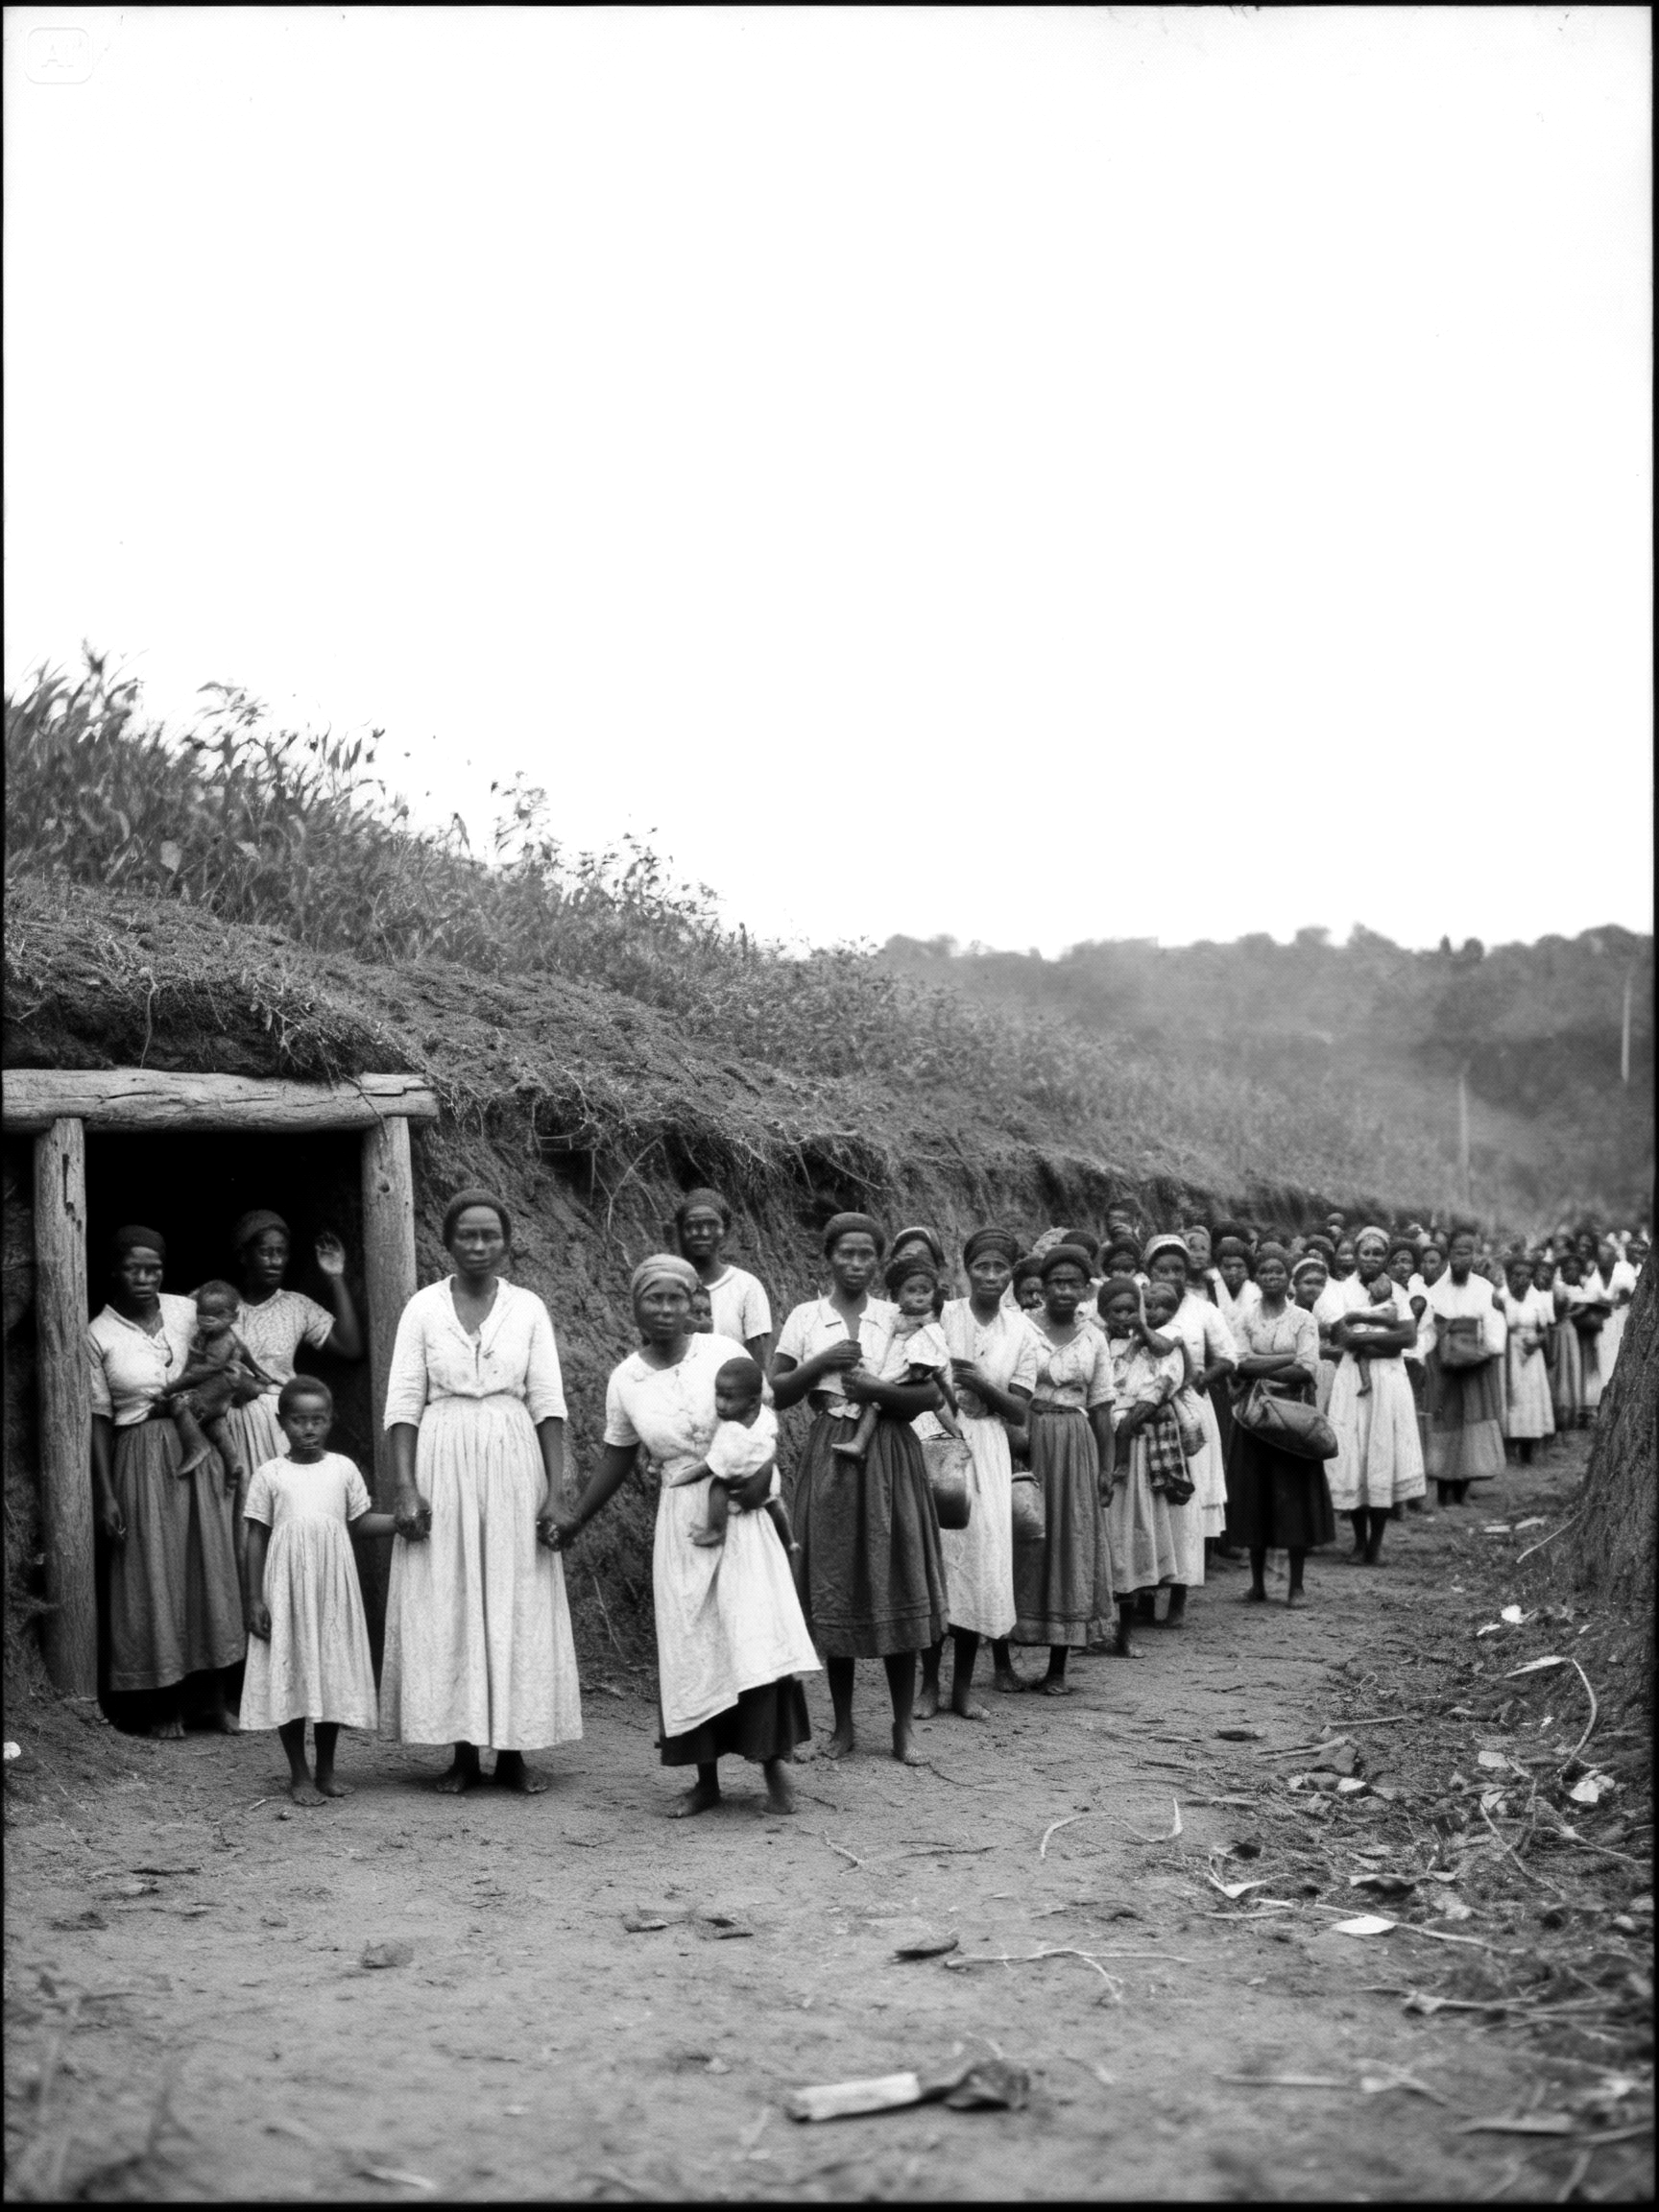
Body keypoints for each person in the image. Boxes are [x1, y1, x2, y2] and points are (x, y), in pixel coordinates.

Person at [552, 1256, 816, 1815]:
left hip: (743, 1511)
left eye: (677, 1298)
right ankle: (706, 1783)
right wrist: (577, 1517)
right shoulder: (626, 1379)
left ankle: (774, 1773)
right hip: (682, 1518)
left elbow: (764, 1421)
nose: (667, 1310)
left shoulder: (723, 1353)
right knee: (693, 1647)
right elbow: (618, 1456)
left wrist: (765, 1477)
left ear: (695, 1301)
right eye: (654, 1300)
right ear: (636, 1307)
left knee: (753, 1639)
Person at [380, 1190, 583, 1793]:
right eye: (466, 1236)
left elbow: (548, 1404)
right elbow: (402, 1403)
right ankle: (464, 1753)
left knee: (516, 1595)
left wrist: (554, 1491)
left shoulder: (527, 1309)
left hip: (512, 1457)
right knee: (451, 1598)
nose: (478, 1246)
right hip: (442, 1455)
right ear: (448, 1242)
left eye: (489, 1236)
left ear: (506, 1241)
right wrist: (406, 1486)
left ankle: (516, 1753)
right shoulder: (422, 1308)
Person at [771, 1214, 949, 1763]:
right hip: (830, 1451)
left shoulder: (899, 1313)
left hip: (891, 1452)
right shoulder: (807, 1318)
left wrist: (875, 1387)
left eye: (865, 1255)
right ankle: (842, 1725)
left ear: (878, 1261)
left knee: (894, 1577)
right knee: (835, 1581)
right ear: (828, 1257)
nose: (855, 1264)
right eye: (845, 1254)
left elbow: (929, 1397)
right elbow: (775, 1393)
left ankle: (902, 1727)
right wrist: (822, 1362)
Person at [86, 1226, 246, 1736]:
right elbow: (98, 1420)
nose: (144, 1278)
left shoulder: (186, 1311)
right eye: (133, 1268)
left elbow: (230, 1353)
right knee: (154, 1577)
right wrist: (106, 1493)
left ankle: (215, 1702)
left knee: (208, 1570)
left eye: (153, 1268)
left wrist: (233, 1382)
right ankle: (164, 1706)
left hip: (198, 1449)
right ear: (114, 1270)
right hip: (140, 1456)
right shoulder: (99, 1335)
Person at [240, 1378, 396, 1804]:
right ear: (281, 1422)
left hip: (331, 1591)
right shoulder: (269, 1474)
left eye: (317, 1420)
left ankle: (326, 1770)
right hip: (286, 1591)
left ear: (331, 1421)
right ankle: (298, 1774)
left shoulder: (343, 1469)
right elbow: (255, 1535)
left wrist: (401, 1524)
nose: (308, 1429)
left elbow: (360, 1523)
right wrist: (253, 1598)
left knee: (329, 1674)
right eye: (298, 1420)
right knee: (291, 1672)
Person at [921, 1228, 1038, 1711]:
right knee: (937, 1558)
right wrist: (951, 1404)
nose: (990, 1277)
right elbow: (920, 1372)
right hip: (939, 1437)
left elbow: (1018, 1412)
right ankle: (928, 1685)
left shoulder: (1021, 1331)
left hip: (988, 1448)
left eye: (1000, 1268)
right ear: (964, 1269)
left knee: (980, 1563)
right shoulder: (944, 1316)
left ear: (1011, 1273)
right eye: (981, 1267)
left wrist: (983, 1385)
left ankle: (964, 1689)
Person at [1010, 1244, 1117, 1688]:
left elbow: (1103, 1409)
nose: (1065, 1291)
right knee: (1018, 1536)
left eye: (1075, 1283)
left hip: (1074, 1444)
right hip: (1025, 1436)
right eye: (1057, 1282)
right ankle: (1003, 1662)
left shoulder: (1093, 1337)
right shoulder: (1019, 1329)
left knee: (1070, 1542)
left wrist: (1107, 1467)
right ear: (1042, 1285)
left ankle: (1057, 1667)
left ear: (1087, 1288)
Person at [218, 1210, 364, 1485]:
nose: (275, 1261)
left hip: (277, 1423)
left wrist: (336, 1277)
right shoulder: (218, 1304)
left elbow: (350, 1346)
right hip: (226, 1424)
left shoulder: (296, 1306)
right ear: (243, 1256)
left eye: (281, 1253)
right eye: (265, 1252)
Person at [1222, 1244, 1334, 1605]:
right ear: (1257, 1277)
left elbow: (1306, 1369)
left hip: (1293, 1415)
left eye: (1278, 1272)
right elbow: (1240, 1364)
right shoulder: (1245, 1318)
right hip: (1254, 1416)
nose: (1272, 1278)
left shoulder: (1303, 1318)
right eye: (1265, 1272)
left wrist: (1262, 1362)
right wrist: (1284, 1358)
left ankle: (1296, 1585)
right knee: (1255, 1494)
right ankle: (1258, 1583)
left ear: (1289, 1278)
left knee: (1294, 1495)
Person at [1325, 1227, 1424, 1563]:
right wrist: (1381, 1334)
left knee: (1382, 1451)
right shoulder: (1340, 1290)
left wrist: (1366, 1338)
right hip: (1353, 1377)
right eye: (1365, 1253)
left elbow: (1409, 1337)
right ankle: (1357, 1540)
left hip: (1389, 1377)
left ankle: (1377, 1543)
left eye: (1378, 1254)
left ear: (1385, 1257)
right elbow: (1343, 1337)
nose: (1371, 1259)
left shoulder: (1397, 1290)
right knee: (1356, 1452)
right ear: (1356, 1256)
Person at [1100, 1276, 1189, 1637]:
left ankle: (1137, 1599)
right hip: (1104, 1430)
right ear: (1103, 1313)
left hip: (1140, 1436)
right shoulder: (1097, 1342)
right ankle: (1110, 1598)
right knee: (1111, 1519)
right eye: (1115, 1310)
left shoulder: (1157, 1341)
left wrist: (1141, 1327)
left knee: (1139, 1519)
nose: (1124, 1317)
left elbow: (1163, 1381)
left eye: (1130, 1309)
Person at [1143, 1233, 1235, 1572]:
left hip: (1191, 1406)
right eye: (1163, 1270)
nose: (1171, 1277)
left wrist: (1201, 1378)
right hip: (1147, 1411)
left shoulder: (1203, 1310)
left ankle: (1192, 1567)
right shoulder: (1140, 1305)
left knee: (1191, 1487)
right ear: (1148, 1269)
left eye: (1178, 1270)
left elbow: (1227, 1358)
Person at [833, 1251, 958, 1462]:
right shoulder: (894, 1318)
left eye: (925, 1291)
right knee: (879, 1400)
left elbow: (936, 1355)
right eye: (911, 1291)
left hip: (918, 1370)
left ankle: (955, 1430)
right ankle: (860, 1443)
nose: (919, 1296)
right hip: (900, 1369)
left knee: (931, 1400)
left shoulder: (932, 1323)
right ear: (898, 1295)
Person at [1422, 1229, 1508, 1505]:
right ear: (1449, 1255)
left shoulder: (1484, 1288)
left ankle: (1463, 1488)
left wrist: (1485, 1349)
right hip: (1444, 1367)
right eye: (1458, 1252)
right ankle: (1444, 1489)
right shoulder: (1434, 1291)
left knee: (1471, 1425)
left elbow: (1495, 1328)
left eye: (1469, 1252)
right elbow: (1426, 1329)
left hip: (1475, 1365)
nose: (1464, 1259)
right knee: (1445, 1424)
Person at [688, 1354, 797, 1561]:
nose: (720, 1404)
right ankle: (789, 1542)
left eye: (728, 1398)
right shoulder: (767, 1417)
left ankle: (716, 1529)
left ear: (752, 1401)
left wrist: (688, 1476)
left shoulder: (730, 1430)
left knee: (717, 1487)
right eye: (718, 1396)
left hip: (747, 1479)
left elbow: (715, 1465)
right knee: (775, 1505)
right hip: (768, 1479)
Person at [169, 1281, 278, 1480]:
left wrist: (172, 1387)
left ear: (233, 1316)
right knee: (216, 1427)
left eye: (217, 1314)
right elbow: (245, 1352)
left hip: (215, 1392)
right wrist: (259, 1371)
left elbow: (207, 1369)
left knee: (179, 1405)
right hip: (221, 1403)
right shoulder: (217, 1335)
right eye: (202, 1312)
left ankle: (195, 1446)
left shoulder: (222, 1340)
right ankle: (233, 1462)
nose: (207, 1319)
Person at [673, 1189, 773, 1367]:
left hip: (731, 1390)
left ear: (725, 1232)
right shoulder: (670, 1285)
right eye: (692, 1226)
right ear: (681, 1232)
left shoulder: (746, 1286)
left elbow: (758, 1361)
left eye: (711, 1225)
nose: (702, 1232)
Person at [1499, 1255, 1555, 1464]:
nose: (1522, 1280)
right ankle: (1508, 1448)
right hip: (1509, 1352)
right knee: (1512, 1396)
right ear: (1508, 1275)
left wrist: (1538, 1341)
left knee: (1530, 1397)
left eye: (1527, 1276)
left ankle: (1527, 1450)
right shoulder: (1501, 1298)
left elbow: (1544, 1329)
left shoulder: (1537, 1298)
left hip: (1532, 1354)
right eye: (1517, 1275)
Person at [1584, 1236, 1639, 1402]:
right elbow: (1589, 1300)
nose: (1603, 1260)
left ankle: (1623, 1399)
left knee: (1620, 1358)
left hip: (1621, 1322)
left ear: (1614, 1257)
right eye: (1600, 1257)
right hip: (1602, 1324)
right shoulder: (1593, 1279)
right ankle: (1604, 1401)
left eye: (1607, 1256)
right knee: (1602, 1362)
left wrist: (1623, 1297)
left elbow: (1633, 1296)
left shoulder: (1624, 1271)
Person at [1541, 1253, 1585, 1431]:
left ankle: (1566, 1414)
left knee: (1566, 1370)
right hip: (1552, 1330)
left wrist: (1568, 1315)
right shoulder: (1546, 1290)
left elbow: (1581, 1304)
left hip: (1564, 1331)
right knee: (1554, 1370)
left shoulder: (1562, 1289)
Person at [1214, 1236, 1259, 1350]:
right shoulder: (1210, 1294)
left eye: (1239, 1267)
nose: (1234, 1272)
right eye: (1227, 1267)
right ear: (1218, 1269)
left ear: (1248, 1270)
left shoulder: (1259, 1295)